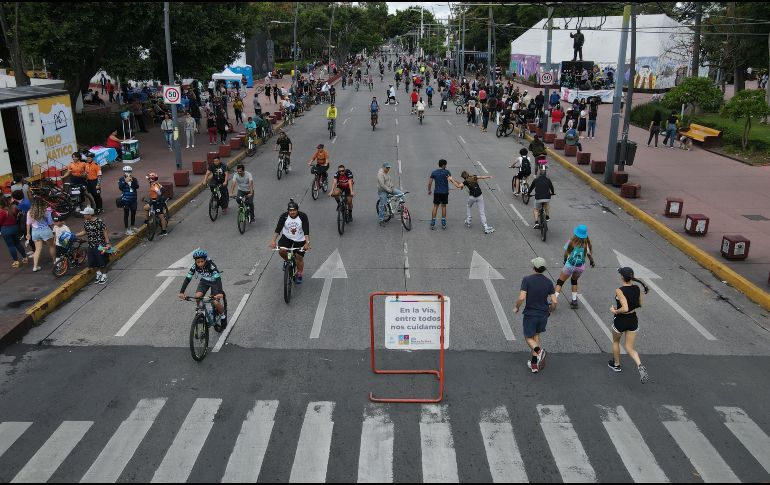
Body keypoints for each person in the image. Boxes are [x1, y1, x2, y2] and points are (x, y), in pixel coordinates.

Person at [514, 257, 557, 373]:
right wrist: (551, 310)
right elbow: (555, 301)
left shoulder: (527, 280)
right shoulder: (548, 282)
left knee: (528, 337)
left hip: (531, 314)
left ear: (534, 267)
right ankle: (534, 364)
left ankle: (539, 351)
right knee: (536, 336)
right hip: (543, 315)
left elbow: (522, 297)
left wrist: (516, 307)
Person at [608, 267, 650, 383]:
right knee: (630, 348)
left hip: (621, 320)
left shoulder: (619, 290)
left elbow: (625, 308)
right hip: (633, 319)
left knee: (616, 342)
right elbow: (640, 303)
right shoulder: (637, 288)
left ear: (622, 277)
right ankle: (640, 365)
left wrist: (615, 310)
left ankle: (616, 365)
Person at [178, 249, 227, 330]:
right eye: (198, 262)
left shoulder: (211, 265)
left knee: (215, 302)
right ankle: (201, 313)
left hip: (214, 282)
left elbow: (218, 278)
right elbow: (188, 278)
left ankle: (223, 315)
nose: (200, 264)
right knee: (198, 296)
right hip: (204, 281)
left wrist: (220, 292)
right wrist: (181, 292)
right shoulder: (194, 266)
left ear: (205, 260)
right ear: (195, 261)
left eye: (202, 261)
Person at [269, 199, 311, 284]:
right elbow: (278, 229)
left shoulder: (303, 216)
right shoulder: (284, 216)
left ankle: (299, 273)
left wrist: (307, 243)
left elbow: (306, 231)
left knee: (299, 257)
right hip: (287, 237)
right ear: (288, 211)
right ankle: (288, 261)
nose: (292, 212)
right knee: (282, 251)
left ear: (297, 210)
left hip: (300, 239)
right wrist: (273, 240)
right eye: (290, 210)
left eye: (294, 210)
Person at [554, 224, 595, 309]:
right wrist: (592, 262)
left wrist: (565, 260)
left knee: (560, 282)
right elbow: (589, 256)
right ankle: (574, 301)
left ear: (576, 233)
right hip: (580, 268)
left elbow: (566, 253)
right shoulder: (586, 244)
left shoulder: (571, 242)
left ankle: (553, 300)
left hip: (569, 265)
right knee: (574, 281)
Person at [76, 207, 112, 284]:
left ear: (90, 214)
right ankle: (98, 273)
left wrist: (108, 243)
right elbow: (85, 231)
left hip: (100, 246)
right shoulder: (86, 222)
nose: (84, 216)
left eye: (85, 214)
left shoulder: (100, 222)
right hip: (91, 245)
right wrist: (75, 235)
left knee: (102, 262)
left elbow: (105, 233)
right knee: (93, 262)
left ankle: (104, 275)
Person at [427, 159, 461, 230]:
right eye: (445, 164)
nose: (446, 166)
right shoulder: (447, 172)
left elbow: (430, 183)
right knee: (443, 206)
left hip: (437, 192)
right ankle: (443, 223)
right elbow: (451, 180)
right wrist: (459, 184)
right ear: (443, 165)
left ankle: (433, 222)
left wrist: (429, 190)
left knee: (435, 206)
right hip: (445, 192)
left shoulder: (434, 172)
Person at [0, 196, 27, 268]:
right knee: (17, 243)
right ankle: (25, 258)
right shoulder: (14, 207)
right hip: (15, 228)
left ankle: (16, 261)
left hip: (6, 229)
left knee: (10, 246)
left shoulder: (2, 211)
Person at [377, 162, 404, 226]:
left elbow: (389, 180)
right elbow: (382, 185)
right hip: (383, 191)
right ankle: (381, 220)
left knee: (401, 194)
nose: (388, 169)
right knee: (382, 205)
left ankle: (400, 209)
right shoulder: (380, 174)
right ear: (383, 167)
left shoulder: (386, 172)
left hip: (390, 189)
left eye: (389, 168)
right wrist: (389, 190)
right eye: (387, 168)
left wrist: (392, 186)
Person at [143, 172, 169, 237]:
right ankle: (147, 221)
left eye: (149, 178)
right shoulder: (157, 183)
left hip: (157, 202)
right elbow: (163, 189)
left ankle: (164, 231)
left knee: (161, 216)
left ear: (151, 179)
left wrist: (157, 199)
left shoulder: (154, 186)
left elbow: (159, 193)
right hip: (153, 201)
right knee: (145, 208)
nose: (148, 180)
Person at [118, 165, 139, 235]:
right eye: (126, 171)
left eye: (129, 171)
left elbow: (137, 186)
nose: (127, 173)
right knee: (126, 214)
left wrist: (132, 182)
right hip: (125, 200)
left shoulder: (134, 179)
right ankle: (127, 229)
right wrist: (125, 182)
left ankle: (132, 226)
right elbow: (120, 188)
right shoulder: (121, 179)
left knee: (133, 213)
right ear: (124, 172)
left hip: (133, 199)